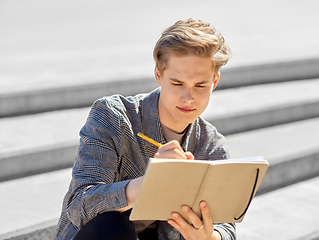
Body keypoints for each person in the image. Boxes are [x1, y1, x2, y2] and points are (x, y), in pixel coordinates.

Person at [54, 18, 236, 240]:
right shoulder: (114, 116)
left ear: (214, 82)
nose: (188, 98)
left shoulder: (211, 145)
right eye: (177, 83)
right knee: (112, 225)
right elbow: (79, 204)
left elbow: (226, 227)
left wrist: (209, 237)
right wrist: (151, 183)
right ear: (158, 75)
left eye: (200, 85)